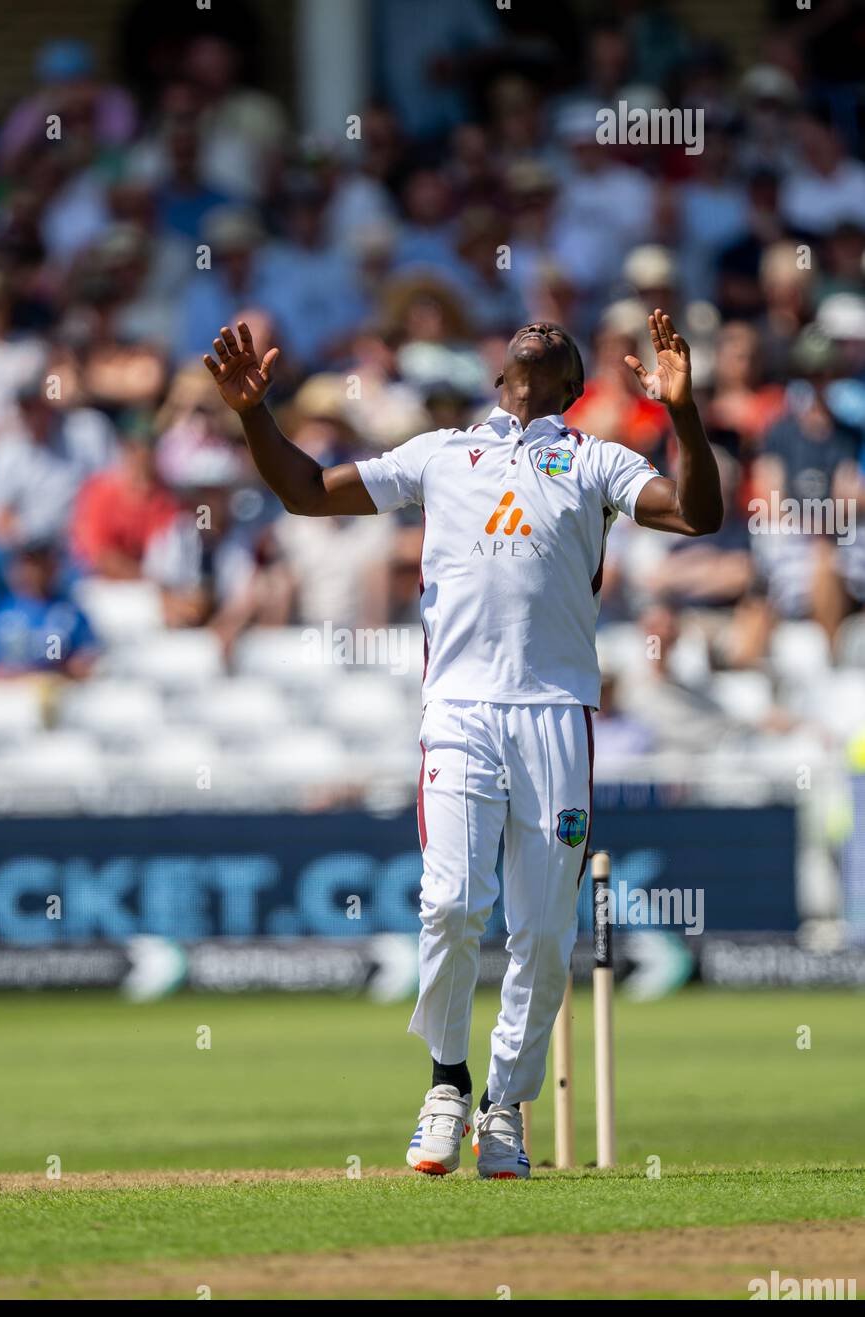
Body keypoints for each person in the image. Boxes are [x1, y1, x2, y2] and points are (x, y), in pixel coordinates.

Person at [203, 312, 722, 1180]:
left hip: (555, 714)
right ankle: (446, 1082)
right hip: (458, 713)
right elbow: (304, 491)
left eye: (557, 337)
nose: (540, 327)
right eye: (524, 329)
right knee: (449, 904)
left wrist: (684, 413)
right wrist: (254, 413)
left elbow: (698, 514)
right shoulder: (439, 453)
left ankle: (505, 1109)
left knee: (544, 933)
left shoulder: (593, 458)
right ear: (500, 376)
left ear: (571, 385)